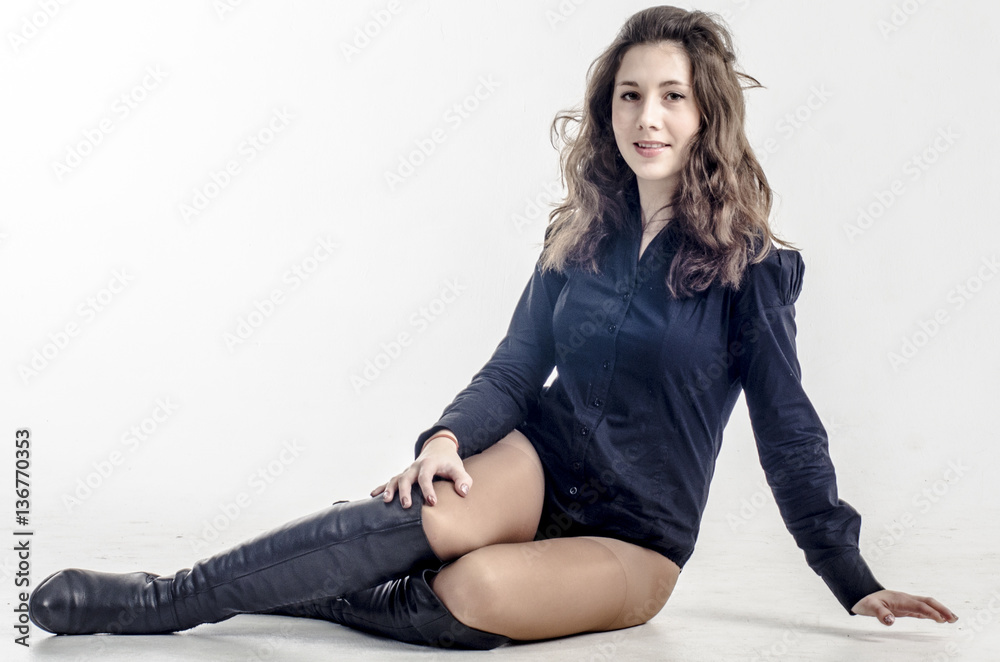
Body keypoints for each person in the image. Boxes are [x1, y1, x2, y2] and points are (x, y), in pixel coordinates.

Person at [28, 5, 958, 649]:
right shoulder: (580, 237)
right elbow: (516, 367)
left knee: (472, 589)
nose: (648, 117)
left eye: (672, 95)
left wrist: (850, 574)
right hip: (539, 460)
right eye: (631, 94)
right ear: (608, 108)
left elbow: (789, 430)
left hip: (637, 536)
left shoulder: (750, 267)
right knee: (425, 507)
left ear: (706, 112)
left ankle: (328, 596)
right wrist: (445, 438)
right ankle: (162, 601)